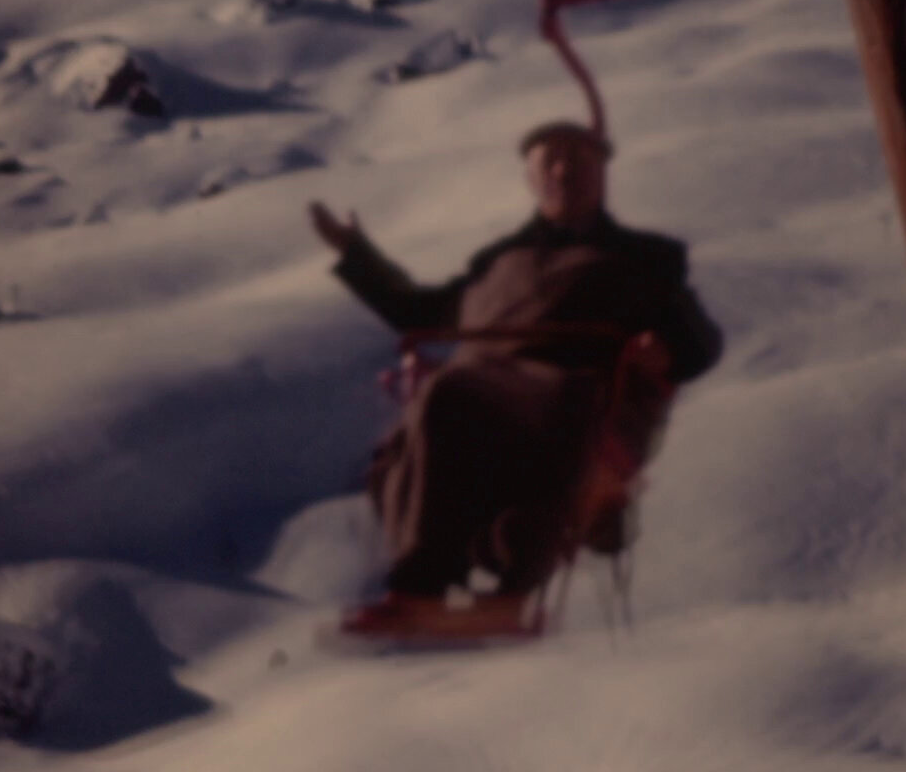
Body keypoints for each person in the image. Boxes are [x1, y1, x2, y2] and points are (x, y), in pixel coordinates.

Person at [308, 120, 723, 635]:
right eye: (551, 161)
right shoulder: (498, 261)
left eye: (578, 159)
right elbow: (423, 313)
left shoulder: (644, 260)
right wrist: (355, 255)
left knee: (450, 393)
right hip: (488, 400)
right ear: (532, 177)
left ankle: (423, 586)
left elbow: (699, 338)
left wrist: (666, 351)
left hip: (573, 395)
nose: (564, 171)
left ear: (601, 173)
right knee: (394, 459)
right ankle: (500, 567)